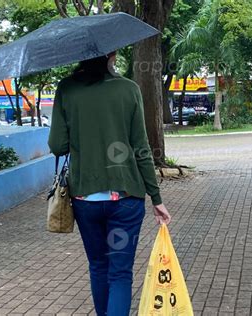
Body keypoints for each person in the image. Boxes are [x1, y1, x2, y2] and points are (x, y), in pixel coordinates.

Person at [48, 53, 171, 316]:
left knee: (98, 267)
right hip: (126, 200)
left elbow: (57, 146)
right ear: (112, 55)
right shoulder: (129, 89)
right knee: (120, 274)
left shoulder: (66, 89)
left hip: (85, 200)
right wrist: (156, 198)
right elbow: (141, 148)